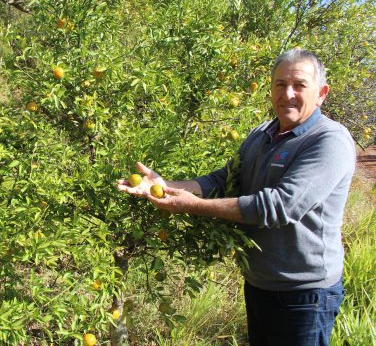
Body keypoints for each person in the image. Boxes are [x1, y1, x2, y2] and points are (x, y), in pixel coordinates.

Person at [118, 49, 355, 346]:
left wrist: (194, 207)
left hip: (304, 295)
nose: (288, 94)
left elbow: (279, 206)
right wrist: (166, 185)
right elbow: (223, 180)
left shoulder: (328, 141)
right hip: (259, 283)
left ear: (321, 93)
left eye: (299, 85)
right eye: (280, 84)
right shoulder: (262, 133)